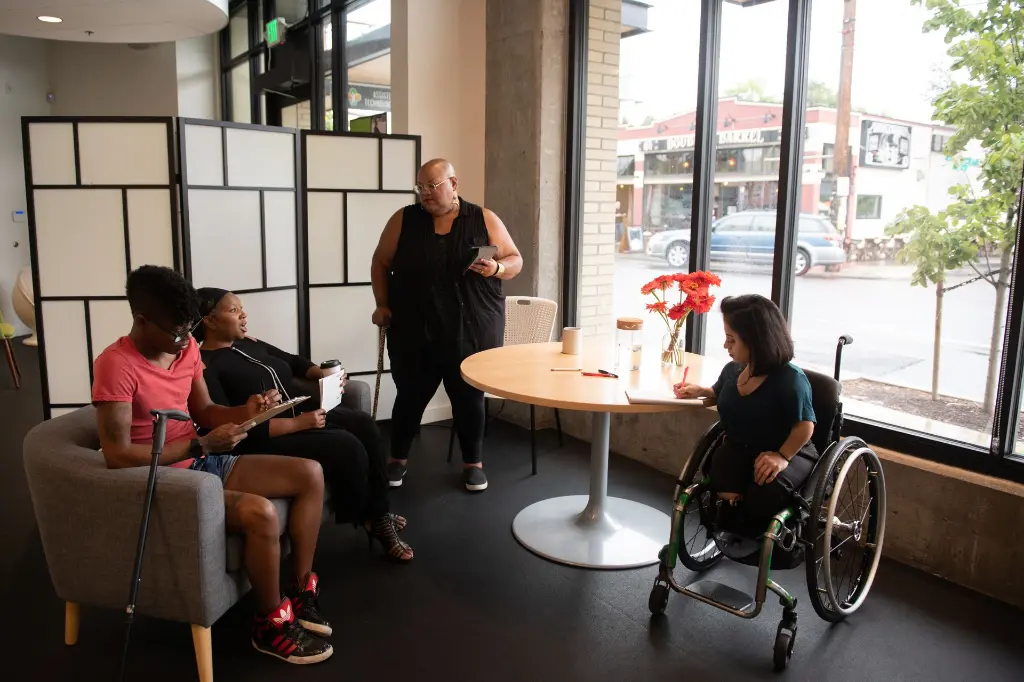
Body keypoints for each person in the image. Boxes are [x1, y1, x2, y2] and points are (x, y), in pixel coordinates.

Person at [92, 266, 333, 665]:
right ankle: (270, 624)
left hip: (200, 458)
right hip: (162, 478)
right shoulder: (116, 365)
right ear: (140, 320)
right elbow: (117, 456)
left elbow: (204, 409)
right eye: (176, 332)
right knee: (261, 514)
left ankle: (301, 592)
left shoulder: (185, 348)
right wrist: (200, 443)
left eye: (189, 330)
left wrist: (246, 410)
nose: (186, 340)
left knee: (310, 473)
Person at [196, 287, 413, 562]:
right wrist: (298, 423)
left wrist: (323, 375)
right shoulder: (204, 366)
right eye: (234, 310)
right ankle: (373, 519)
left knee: (363, 423)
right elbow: (229, 423)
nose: (243, 314)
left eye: (241, 308)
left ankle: (378, 513)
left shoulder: (249, 344)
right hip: (266, 436)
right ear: (210, 321)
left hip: (297, 411)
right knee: (346, 446)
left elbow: (293, 362)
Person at [370, 158, 522, 492]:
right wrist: (382, 304)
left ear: (453, 183)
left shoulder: (483, 218)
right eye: (421, 187)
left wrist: (496, 269)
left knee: (469, 398)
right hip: (414, 327)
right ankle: (397, 459)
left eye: (432, 186)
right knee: (410, 395)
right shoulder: (404, 219)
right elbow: (381, 262)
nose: (425, 194)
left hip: (469, 327)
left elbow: (515, 259)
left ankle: (474, 464)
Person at [673, 294, 817, 536]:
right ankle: (738, 521)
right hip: (742, 447)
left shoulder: (791, 380)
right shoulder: (733, 370)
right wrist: (700, 391)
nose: (725, 346)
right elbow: (723, 394)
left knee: (766, 489)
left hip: (786, 448)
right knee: (717, 469)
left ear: (756, 341)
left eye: (731, 339)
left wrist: (782, 456)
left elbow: (804, 425)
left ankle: (757, 530)